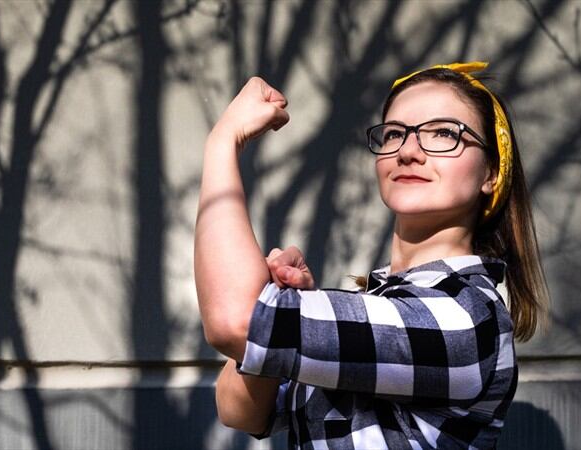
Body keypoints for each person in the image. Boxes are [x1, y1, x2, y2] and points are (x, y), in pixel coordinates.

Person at [194, 62, 549, 449]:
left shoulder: (465, 315)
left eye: (445, 133)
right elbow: (241, 411)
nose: (409, 151)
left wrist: (223, 141)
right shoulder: (379, 308)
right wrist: (280, 303)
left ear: (491, 174)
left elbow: (236, 322)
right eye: (395, 134)